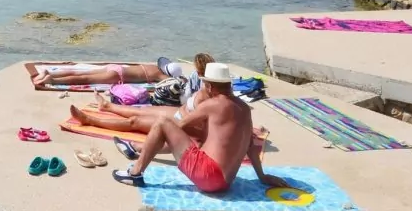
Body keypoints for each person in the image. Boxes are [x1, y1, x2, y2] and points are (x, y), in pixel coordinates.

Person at [111, 62, 282, 193]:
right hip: (226, 183)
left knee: (162, 123)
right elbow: (251, 146)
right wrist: (262, 176)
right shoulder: (244, 108)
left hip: (208, 176)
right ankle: (136, 149)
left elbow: (178, 125)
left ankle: (135, 173)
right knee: (199, 135)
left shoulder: (212, 104)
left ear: (209, 86)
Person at [69, 53, 217, 133]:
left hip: (185, 120)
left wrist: (174, 127)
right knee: (142, 110)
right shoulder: (202, 83)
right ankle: (107, 106)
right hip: (180, 112)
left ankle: (89, 120)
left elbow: (198, 119)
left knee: (135, 121)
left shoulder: (211, 93)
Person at [33, 58, 174, 89]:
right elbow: (171, 82)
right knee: (86, 78)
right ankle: (53, 80)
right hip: (118, 75)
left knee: (82, 72)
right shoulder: (159, 75)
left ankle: (50, 73)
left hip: (116, 67)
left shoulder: (152, 67)